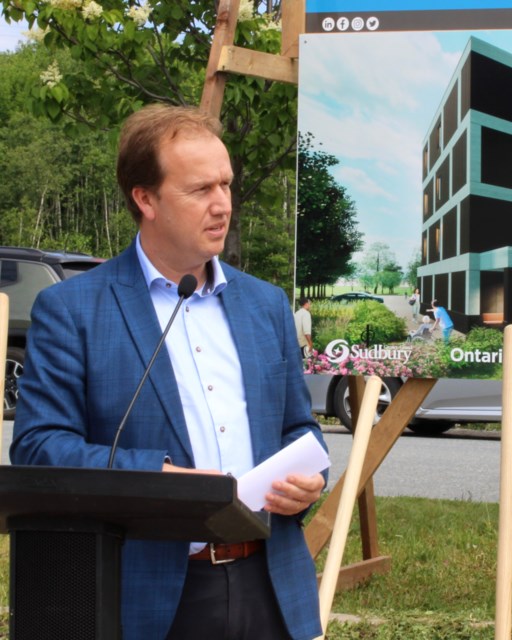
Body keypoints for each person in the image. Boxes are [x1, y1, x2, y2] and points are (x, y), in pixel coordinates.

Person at [11, 104, 328, 640]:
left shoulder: (266, 304)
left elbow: (300, 428)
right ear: (146, 198)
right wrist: (161, 481)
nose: (222, 204)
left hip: (270, 585)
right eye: (200, 189)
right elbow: (40, 446)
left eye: (226, 185)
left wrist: (309, 482)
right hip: (149, 591)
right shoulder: (74, 309)